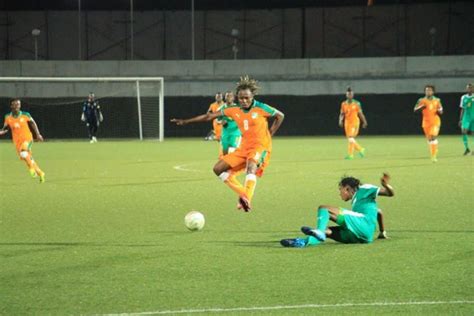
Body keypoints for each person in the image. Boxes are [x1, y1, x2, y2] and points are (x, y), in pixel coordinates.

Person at [171, 76, 285, 212]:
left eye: (247, 98)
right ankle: (243, 193)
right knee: (218, 169)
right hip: (243, 147)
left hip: (260, 147)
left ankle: (247, 197)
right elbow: (209, 116)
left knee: (251, 167)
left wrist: (270, 133)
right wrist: (185, 121)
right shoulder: (234, 110)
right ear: (237, 97)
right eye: (241, 98)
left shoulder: (261, 108)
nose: (244, 101)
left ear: (252, 96)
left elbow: (280, 116)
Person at [280, 173, 394, 248]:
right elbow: (378, 212)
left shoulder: (364, 189)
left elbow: (390, 193)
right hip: (362, 236)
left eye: (341, 189)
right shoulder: (361, 203)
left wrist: (386, 185)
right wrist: (382, 233)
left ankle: (318, 231)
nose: (340, 193)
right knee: (327, 231)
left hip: (362, 225)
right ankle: (304, 242)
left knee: (324, 208)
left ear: (347, 188)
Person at [0, 98, 45, 183]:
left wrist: (38, 134)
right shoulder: (7, 117)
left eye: (18, 104)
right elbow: (5, 128)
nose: (17, 106)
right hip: (17, 141)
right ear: (11, 106)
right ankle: (40, 173)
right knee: (27, 157)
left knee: (24, 152)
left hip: (27, 138)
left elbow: (32, 123)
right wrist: (1, 131)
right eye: (15, 104)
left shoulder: (25, 114)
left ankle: (31, 169)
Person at [414, 85, 443, 162]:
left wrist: (439, 111)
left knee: (433, 137)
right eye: (426, 90)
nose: (428, 92)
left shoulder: (437, 100)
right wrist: (421, 107)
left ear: (433, 92)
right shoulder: (421, 100)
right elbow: (415, 110)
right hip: (426, 122)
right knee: (430, 139)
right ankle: (434, 150)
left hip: (435, 121)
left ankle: (433, 157)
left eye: (430, 90)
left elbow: (441, 109)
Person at [339, 87, 368, 160]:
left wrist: (364, 121)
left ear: (353, 95)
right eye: (348, 94)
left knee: (351, 138)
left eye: (351, 94)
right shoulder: (343, 104)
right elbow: (342, 113)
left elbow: (360, 114)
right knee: (350, 139)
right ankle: (354, 153)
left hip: (354, 123)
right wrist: (340, 120)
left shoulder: (357, 103)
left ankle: (358, 151)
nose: (349, 95)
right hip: (347, 123)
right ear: (346, 95)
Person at [216, 91, 242, 157]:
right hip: (225, 132)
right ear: (225, 98)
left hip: (236, 132)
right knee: (225, 151)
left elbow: (243, 118)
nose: (229, 97)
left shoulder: (238, 108)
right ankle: (226, 165)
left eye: (230, 96)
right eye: (227, 96)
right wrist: (221, 122)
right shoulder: (221, 109)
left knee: (232, 149)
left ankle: (234, 165)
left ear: (233, 98)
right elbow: (217, 120)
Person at [459, 83, 473, 155]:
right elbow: (462, 109)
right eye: (468, 88)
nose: (469, 89)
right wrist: (460, 119)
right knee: (464, 131)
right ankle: (467, 148)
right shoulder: (463, 97)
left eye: (470, 88)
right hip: (466, 117)